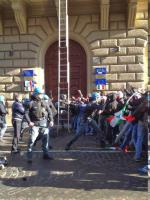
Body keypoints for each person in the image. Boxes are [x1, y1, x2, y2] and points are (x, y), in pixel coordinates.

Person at [25, 87, 54, 163]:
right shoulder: (30, 103)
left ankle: (46, 154)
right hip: (34, 125)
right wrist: (29, 122)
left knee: (45, 141)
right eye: (40, 94)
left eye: (42, 94)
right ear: (36, 94)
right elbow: (26, 113)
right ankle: (29, 157)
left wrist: (51, 120)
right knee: (32, 140)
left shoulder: (44, 102)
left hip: (44, 124)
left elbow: (50, 111)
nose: (42, 95)